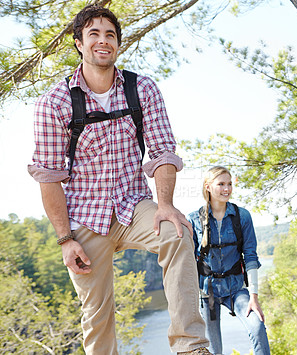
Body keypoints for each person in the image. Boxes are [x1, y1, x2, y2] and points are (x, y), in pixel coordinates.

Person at [27, 4, 211, 355]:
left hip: (133, 205)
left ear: (118, 44)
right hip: (84, 217)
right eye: (93, 34)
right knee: (97, 316)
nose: (102, 41)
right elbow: (48, 177)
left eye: (110, 35)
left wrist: (167, 206)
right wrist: (66, 239)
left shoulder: (142, 90)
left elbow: (162, 153)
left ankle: (190, 346)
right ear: (79, 43)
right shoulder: (55, 102)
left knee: (177, 232)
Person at [187, 166, 270, 355]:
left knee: (257, 328)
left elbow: (250, 256)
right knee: (215, 350)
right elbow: (189, 263)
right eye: (221, 184)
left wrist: (254, 297)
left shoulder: (242, 216)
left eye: (230, 184)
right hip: (208, 294)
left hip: (236, 289)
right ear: (208, 187)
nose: (227, 189)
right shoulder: (193, 219)